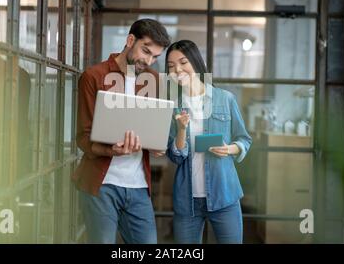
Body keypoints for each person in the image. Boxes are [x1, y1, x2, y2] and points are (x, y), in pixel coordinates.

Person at [72, 18, 171, 243]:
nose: (149, 61)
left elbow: (154, 128)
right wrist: (111, 151)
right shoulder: (93, 76)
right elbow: (83, 138)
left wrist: (157, 145)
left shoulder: (153, 80)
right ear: (130, 40)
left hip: (138, 187)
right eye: (145, 51)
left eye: (155, 57)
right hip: (102, 184)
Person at [165, 40, 252, 244]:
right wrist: (181, 130)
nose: (177, 69)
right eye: (170, 66)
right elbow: (176, 157)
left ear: (195, 62)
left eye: (183, 62)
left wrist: (229, 149)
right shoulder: (171, 105)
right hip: (188, 201)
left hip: (224, 196)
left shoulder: (225, 99)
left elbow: (244, 139)